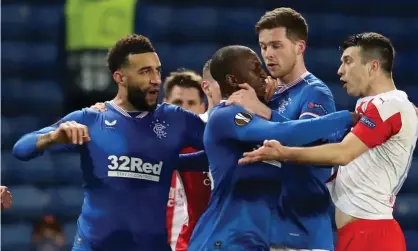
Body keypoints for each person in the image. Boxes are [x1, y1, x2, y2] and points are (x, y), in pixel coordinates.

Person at [12, 34, 208, 251]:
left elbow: (220, 150)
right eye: (145, 71)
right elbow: (21, 149)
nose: (156, 79)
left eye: (157, 70)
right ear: (120, 77)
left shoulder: (176, 119)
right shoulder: (92, 119)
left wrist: (175, 161)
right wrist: (53, 136)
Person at [239, 32, 418, 251]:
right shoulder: (382, 106)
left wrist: (282, 152)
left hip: (372, 235)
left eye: (348, 61)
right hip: (359, 232)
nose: (340, 70)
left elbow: (342, 154)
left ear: (373, 67)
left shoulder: (388, 106)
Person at [188, 45, 358, 251]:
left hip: (253, 241)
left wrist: (262, 104)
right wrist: (346, 117)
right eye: (254, 68)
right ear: (233, 80)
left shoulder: (251, 121)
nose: (264, 73)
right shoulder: (227, 114)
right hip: (222, 239)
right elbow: (285, 133)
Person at [226, 7, 338, 251]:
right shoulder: (267, 96)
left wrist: (263, 110)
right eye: (263, 46)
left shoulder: (315, 92)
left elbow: (310, 144)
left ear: (299, 47)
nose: (268, 54)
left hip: (303, 236)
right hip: (265, 234)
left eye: (276, 45)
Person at [162, 69, 211, 251]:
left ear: (202, 107)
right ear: (165, 105)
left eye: (191, 103)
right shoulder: (147, 146)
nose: (184, 109)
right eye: (177, 103)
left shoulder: (211, 152)